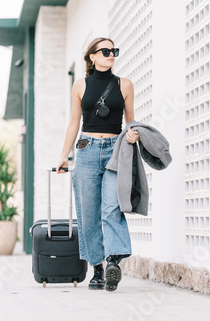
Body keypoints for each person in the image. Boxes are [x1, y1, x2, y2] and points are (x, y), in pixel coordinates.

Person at [56, 37, 139, 292]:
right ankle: (97, 268)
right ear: (92, 56)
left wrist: (132, 134)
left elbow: (130, 120)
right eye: (105, 51)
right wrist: (63, 155)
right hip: (87, 150)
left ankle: (114, 259)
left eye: (114, 50)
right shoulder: (79, 85)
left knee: (112, 208)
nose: (111, 54)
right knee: (89, 212)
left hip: (116, 150)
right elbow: (74, 122)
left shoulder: (125, 85)